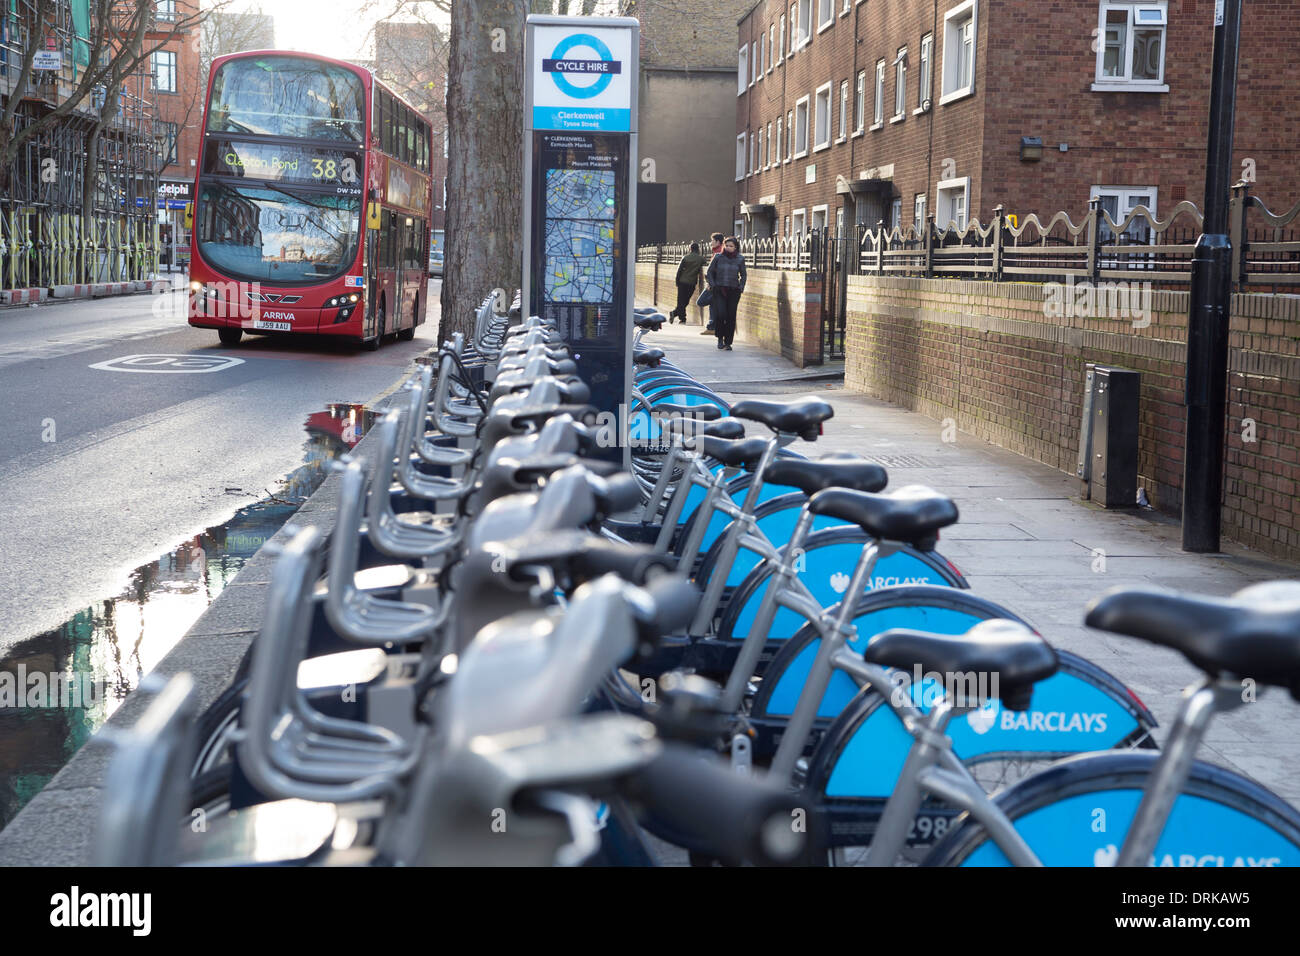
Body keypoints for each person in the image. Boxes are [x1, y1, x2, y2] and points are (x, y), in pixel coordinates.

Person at [704, 235, 745, 351]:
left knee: (731, 316)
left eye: (731, 246)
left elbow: (743, 274)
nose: (728, 248)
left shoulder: (740, 259)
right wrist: (713, 285)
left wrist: (741, 287)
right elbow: (709, 272)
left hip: (734, 290)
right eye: (726, 245)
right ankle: (720, 338)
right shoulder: (718, 257)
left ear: (736, 247)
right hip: (719, 290)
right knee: (721, 314)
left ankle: (728, 342)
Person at [670, 242, 707, 324]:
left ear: (690, 249)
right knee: (686, 301)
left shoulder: (685, 258)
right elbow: (705, 266)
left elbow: (679, 270)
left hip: (682, 281)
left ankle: (677, 315)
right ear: (698, 249)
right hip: (692, 283)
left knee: (681, 301)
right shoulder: (701, 259)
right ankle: (681, 317)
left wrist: (677, 281)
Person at [701, 232, 724, 334]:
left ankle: (712, 326)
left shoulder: (719, 253)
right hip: (713, 283)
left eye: (712, 241)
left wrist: (711, 283)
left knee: (701, 301)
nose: (710, 243)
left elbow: (715, 270)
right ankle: (711, 326)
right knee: (712, 304)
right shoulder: (715, 252)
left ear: (718, 242)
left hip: (715, 284)